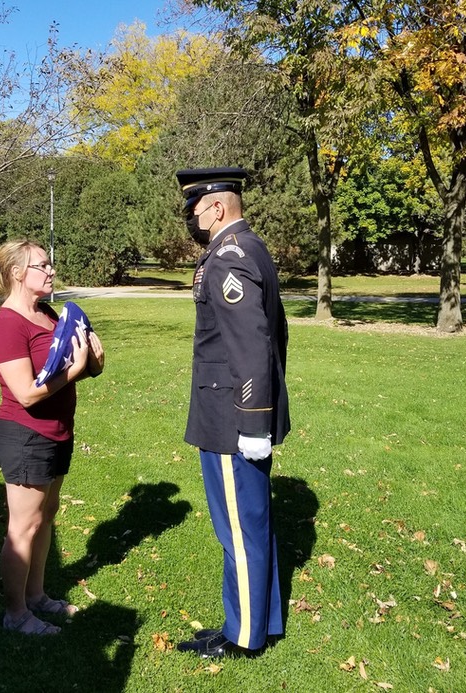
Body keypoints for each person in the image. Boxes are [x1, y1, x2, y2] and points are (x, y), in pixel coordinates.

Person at [174, 167, 290, 659]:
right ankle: (263, 621)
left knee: (238, 530)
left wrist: (252, 423)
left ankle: (244, 637)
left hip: (231, 416)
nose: (192, 218)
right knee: (253, 523)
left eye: (195, 208)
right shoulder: (250, 248)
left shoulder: (227, 260)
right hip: (238, 409)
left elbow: (252, 346)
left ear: (216, 207)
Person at [0, 240, 105, 636]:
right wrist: (78, 368)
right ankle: (15, 614)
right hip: (25, 434)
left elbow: (64, 368)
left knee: (46, 517)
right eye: (42, 265)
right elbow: (28, 393)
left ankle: (36, 595)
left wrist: (92, 363)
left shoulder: (48, 313)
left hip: (57, 431)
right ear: (18, 273)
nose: (51, 271)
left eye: (51, 264)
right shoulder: (7, 324)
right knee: (24, 526)